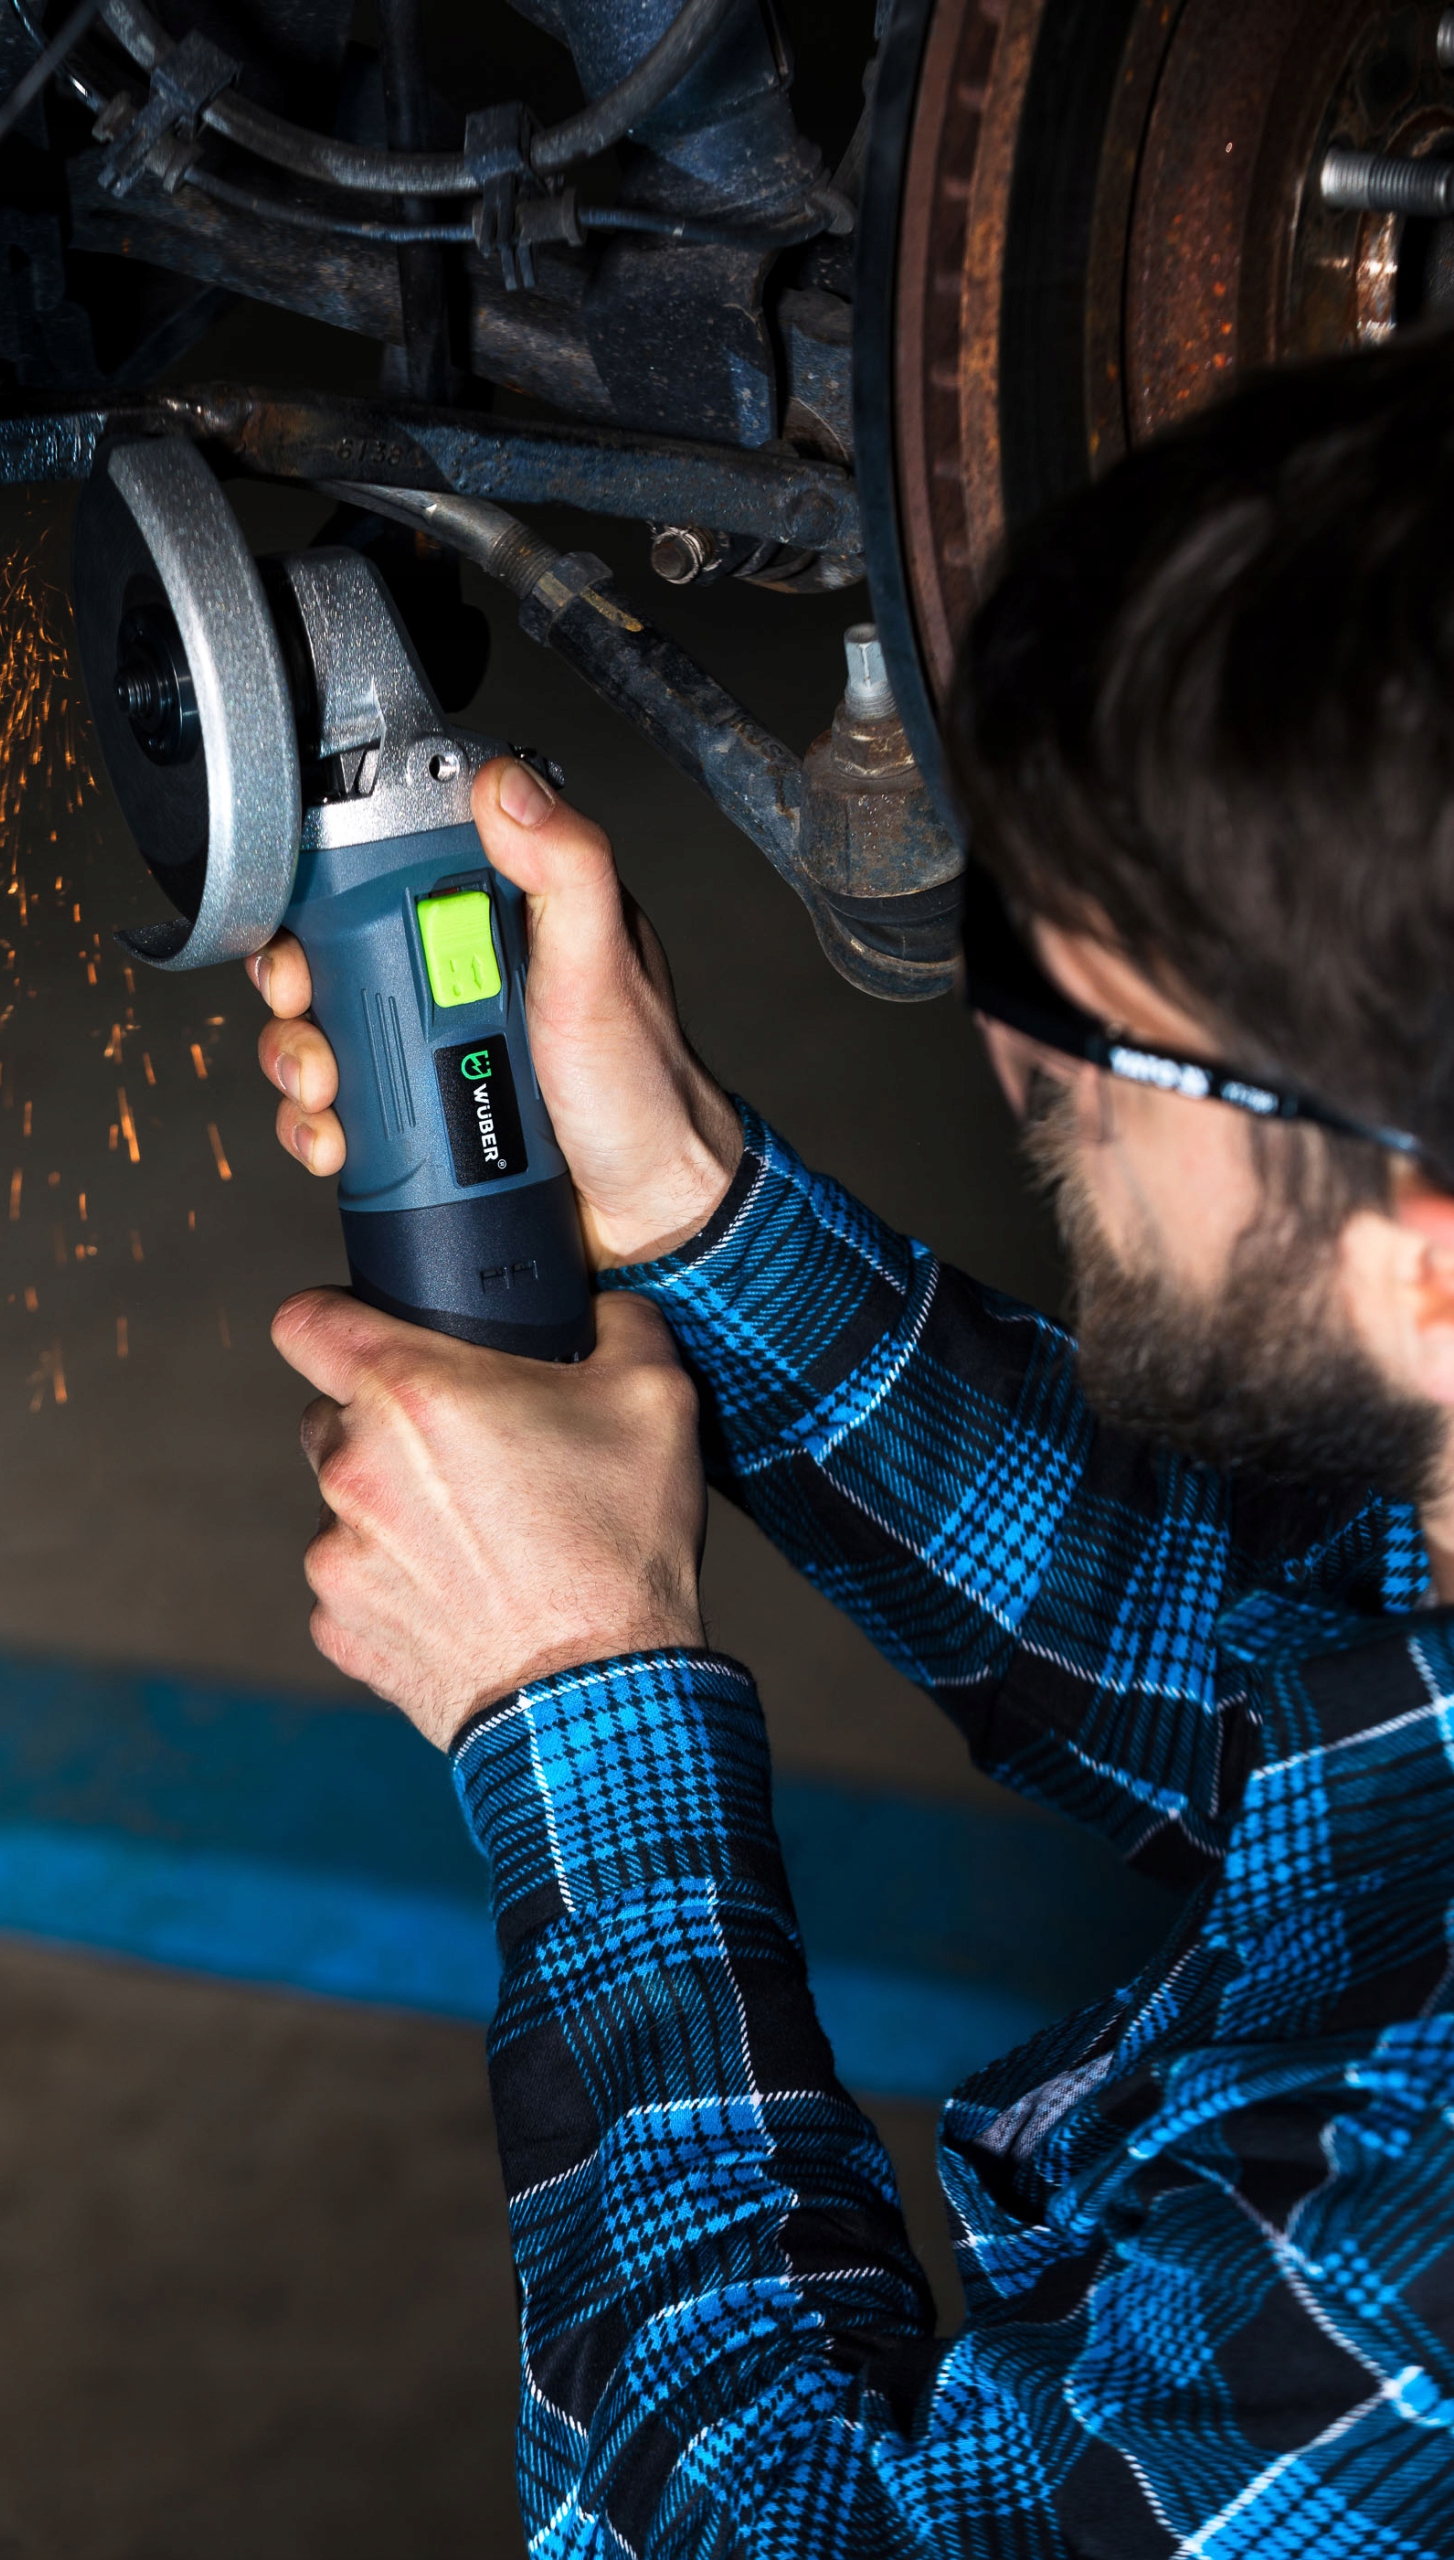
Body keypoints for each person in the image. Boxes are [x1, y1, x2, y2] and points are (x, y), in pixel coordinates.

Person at [246, 333, 1454, 2554]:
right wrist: (687, 1206)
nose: (1021, 1065)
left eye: (1112, 1022)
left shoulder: (1418, 2261)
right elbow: (1277, 1697)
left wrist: (577, 1695)